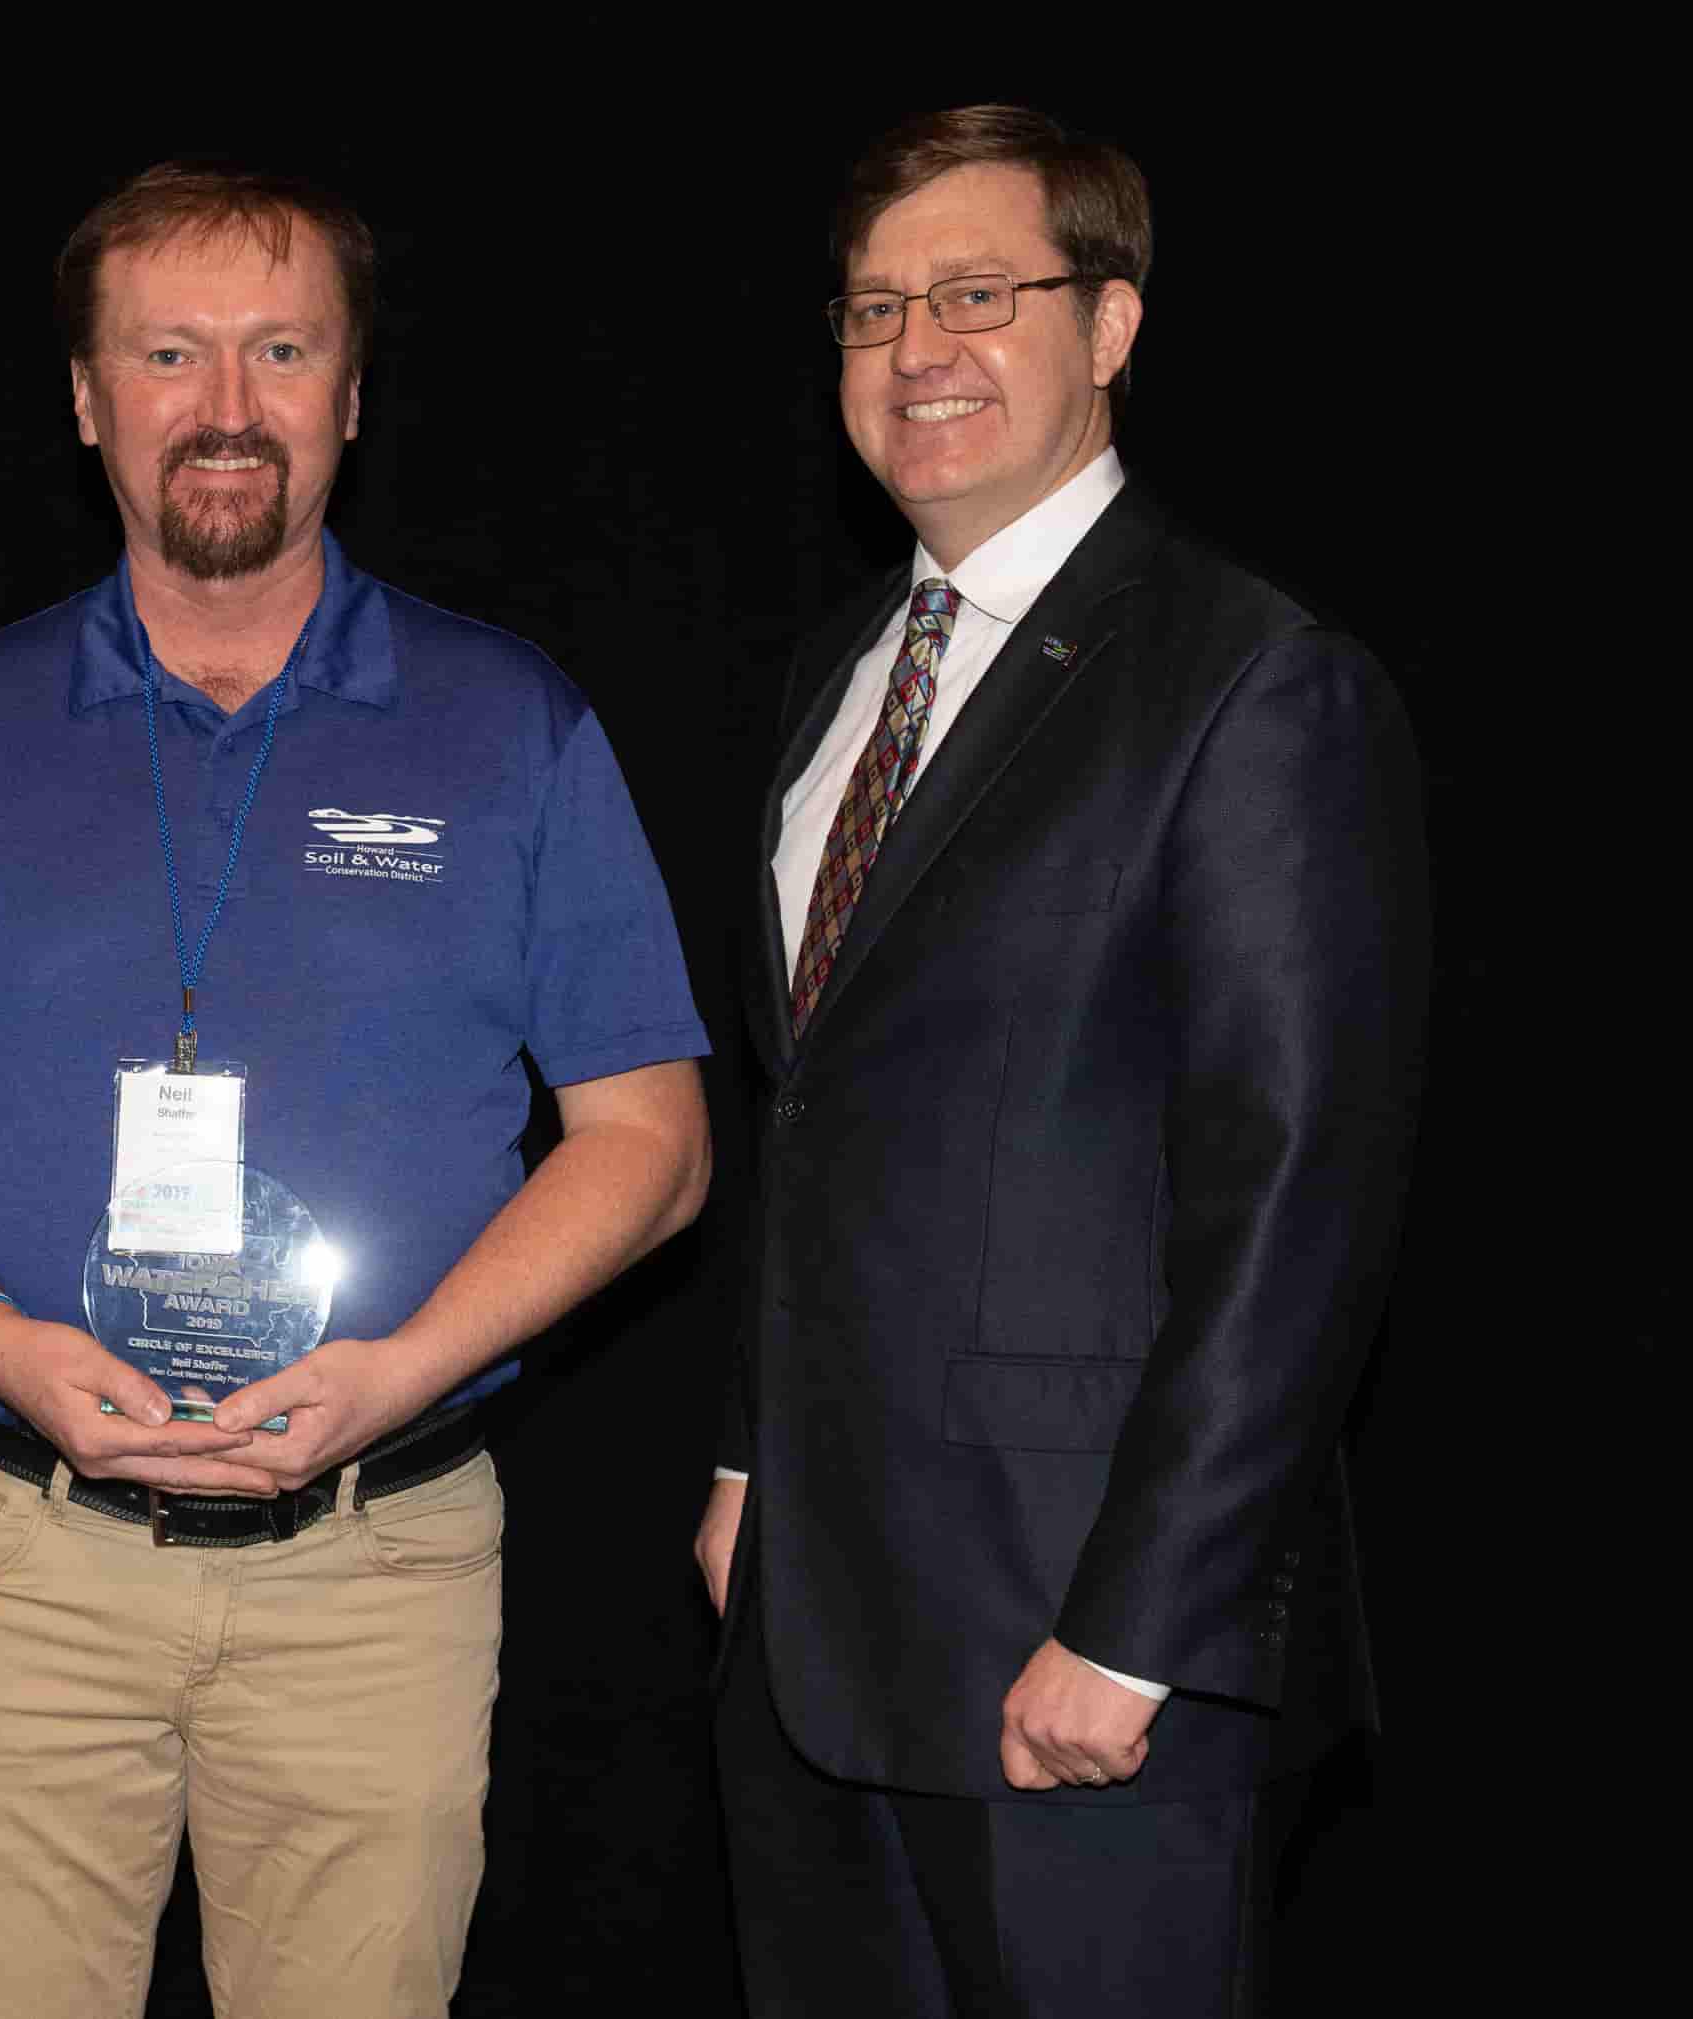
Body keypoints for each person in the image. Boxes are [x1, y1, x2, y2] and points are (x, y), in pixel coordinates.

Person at [0, 162, 713, 2018]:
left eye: (282, 350)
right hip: (14, 1559)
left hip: (379, 1564)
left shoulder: (510, 722)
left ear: (352, 395)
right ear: (89, 399)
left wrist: (401, 1375)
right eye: (169, 352)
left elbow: (651, 1144)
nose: (227, 405)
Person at [695, 106, 1429, 2016]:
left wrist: (1141, 1629)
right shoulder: (840, 673)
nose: (913, 350)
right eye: (870, 311)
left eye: (974, 296)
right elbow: (816, 1108)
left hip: (1081, 1654)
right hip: (813, 1630)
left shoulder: (1255, 681)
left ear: (1107, 329)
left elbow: (1296, 1198)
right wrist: (745, 1452)